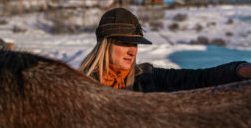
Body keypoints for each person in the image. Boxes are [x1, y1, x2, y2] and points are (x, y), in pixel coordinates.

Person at [79, 8, 251, 92]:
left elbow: (200, 78)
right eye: (124, 43)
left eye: (135, 44)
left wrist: (239, 71)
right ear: (104, 44)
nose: (133, 51)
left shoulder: (148, 77)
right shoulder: (81, 87)